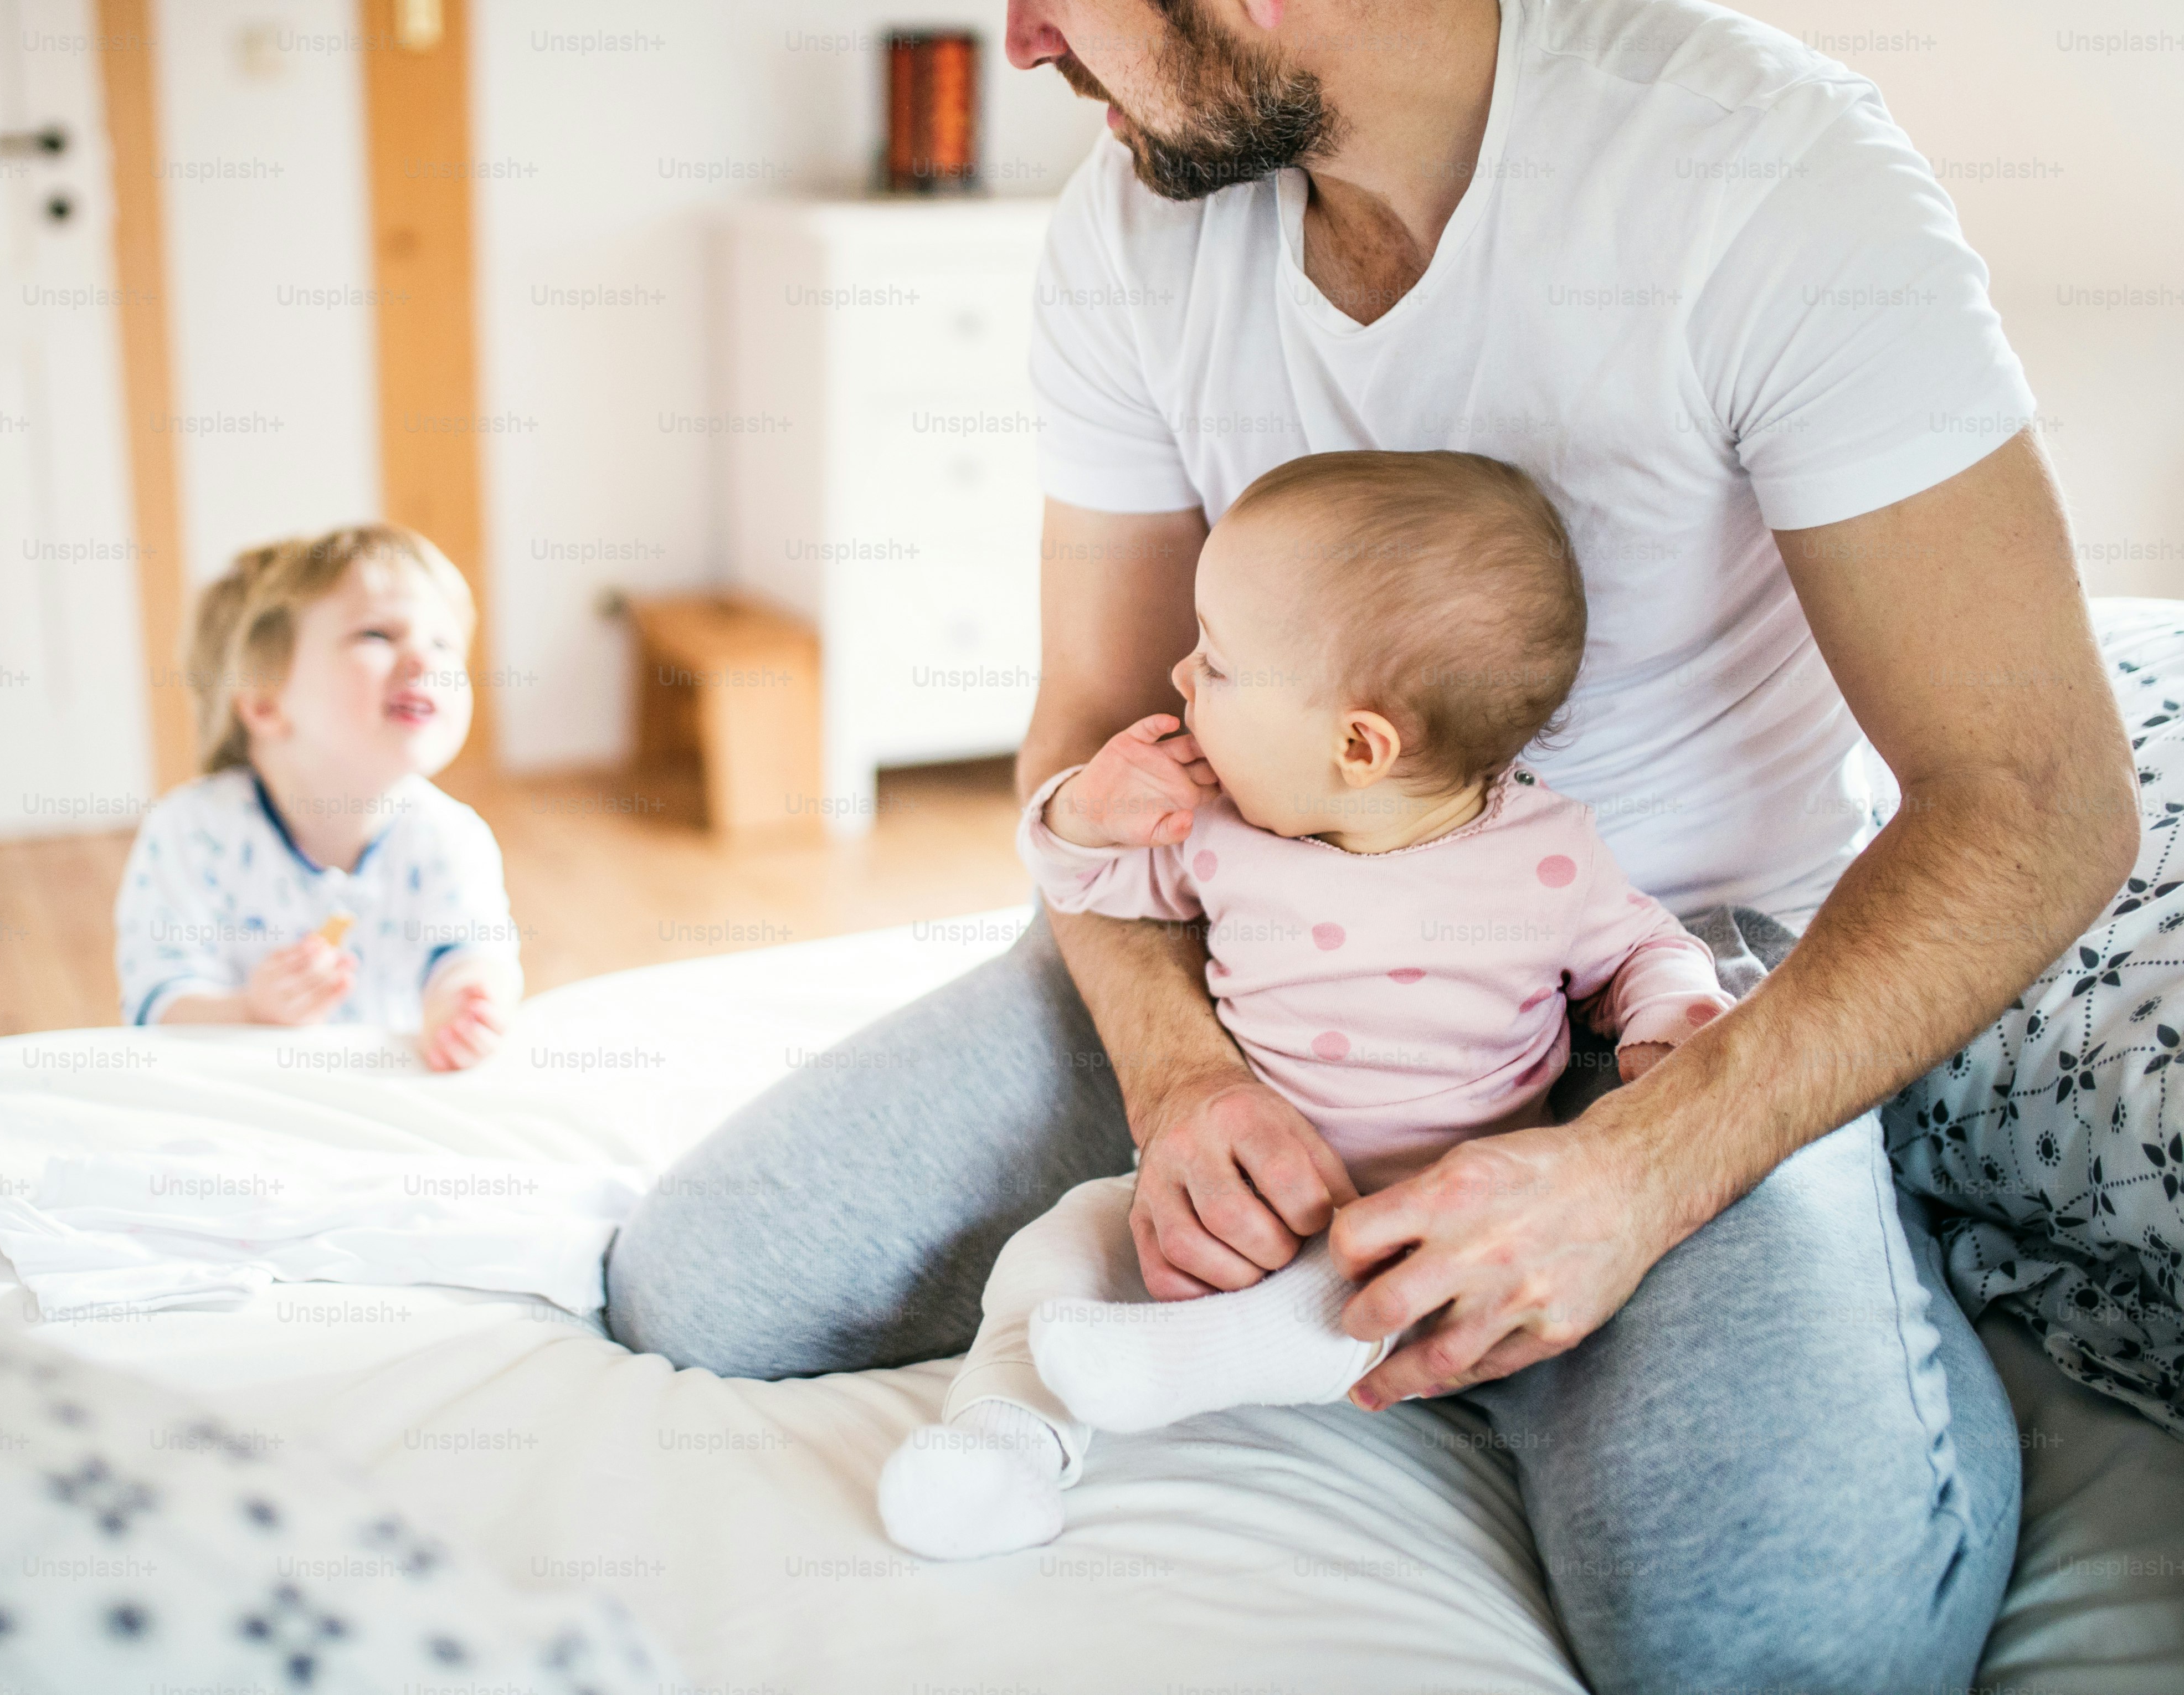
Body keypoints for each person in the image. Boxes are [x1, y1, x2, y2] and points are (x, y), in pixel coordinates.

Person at [606, 2, 2139, 1689]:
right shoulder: (1132, 225)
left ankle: (1739, 1312)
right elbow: (1095, 724)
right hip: (1261, 936)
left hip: (1674, 1001)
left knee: (1769, 1645)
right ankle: (1403, 1316)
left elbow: (2035, 792)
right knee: (706, 1288)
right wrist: (1180, 1074)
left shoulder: (1756, 176)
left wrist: (1636, 1175)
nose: (1024, 41)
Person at [877, 450, 1741, 1559]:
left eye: (1218, 667)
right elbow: (1078, 886)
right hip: (1226, 1204)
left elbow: (1643, 951)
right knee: (1059, 1244)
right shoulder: (1219, 831)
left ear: (1360, 744)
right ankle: (1000, 1439)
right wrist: (1087, 814)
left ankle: (1167, 1373)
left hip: (1407, 1221)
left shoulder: (1543, 860)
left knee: (1358, 1296)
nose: (1179, 680)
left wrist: (1670, 1019)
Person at [114, 524, 520, 1070]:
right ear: (264, 703)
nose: (425, 659)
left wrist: (467, 999)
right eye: (377, 635)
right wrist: (251, 1014)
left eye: (444, 643)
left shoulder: (451, 838)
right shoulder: (193, 832)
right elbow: (156, 1004)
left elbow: (474, 953)